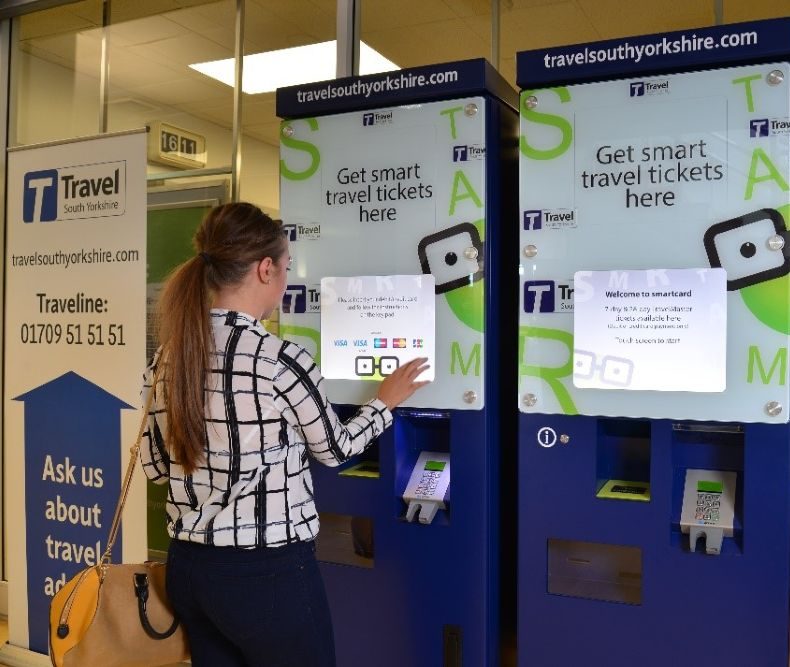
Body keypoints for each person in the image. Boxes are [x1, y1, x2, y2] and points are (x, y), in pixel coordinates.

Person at [140, 202, 430, 667]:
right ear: (264, 269)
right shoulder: (278, 359)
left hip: (189, 570)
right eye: (287, 268)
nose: (288, 281)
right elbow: (336, 450)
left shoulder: (169, 356)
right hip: (265, 574)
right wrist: (385, 402)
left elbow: (156, 469)